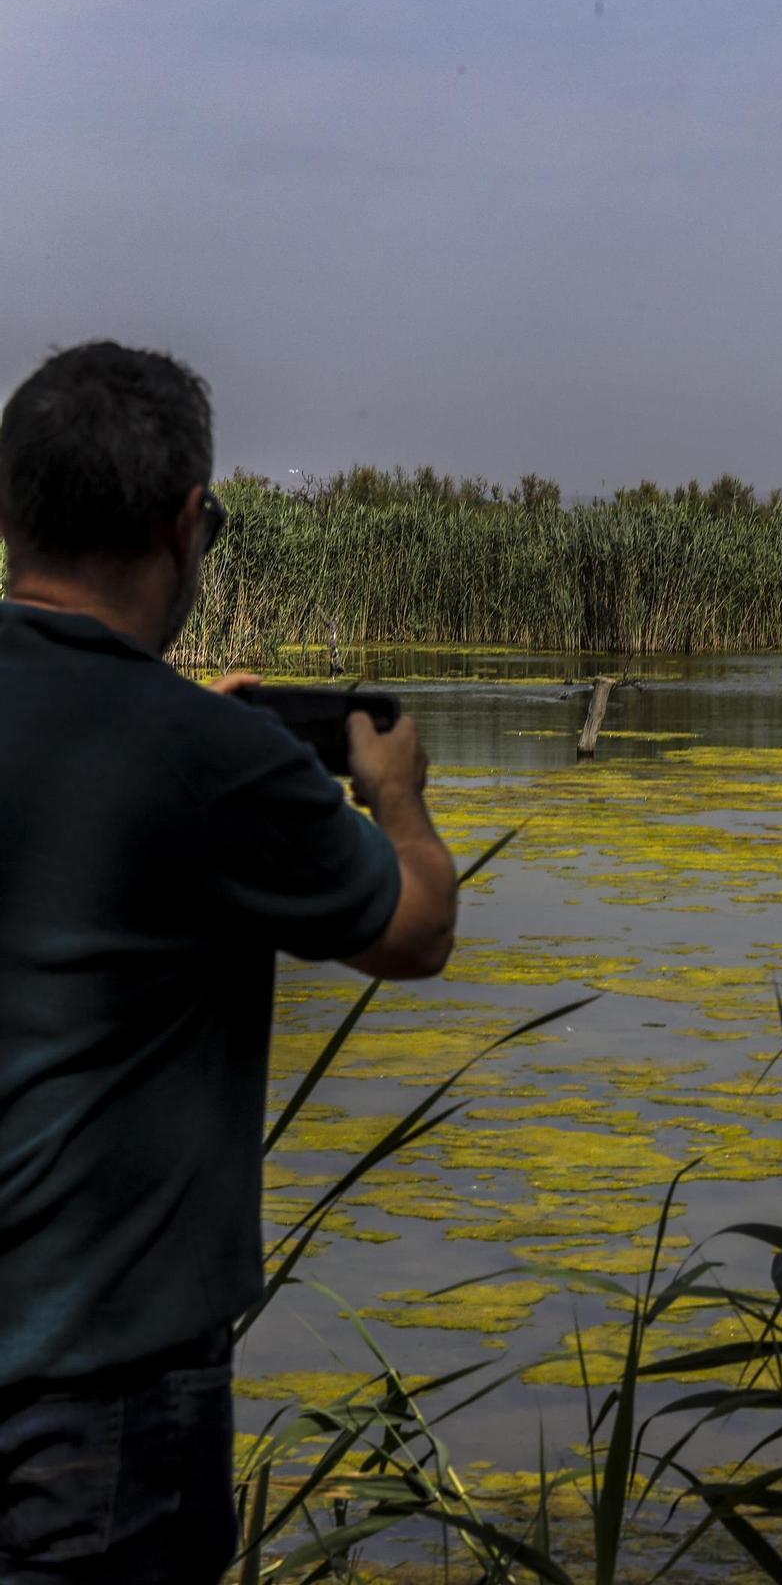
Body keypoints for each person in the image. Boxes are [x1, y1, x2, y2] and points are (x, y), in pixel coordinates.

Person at [0, 341, 458, 1582]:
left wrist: (165, 716)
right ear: (184, 521)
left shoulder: (184, 747)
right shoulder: (214, 760)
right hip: (101, 1405)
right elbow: (414, 930)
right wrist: (394, 796)